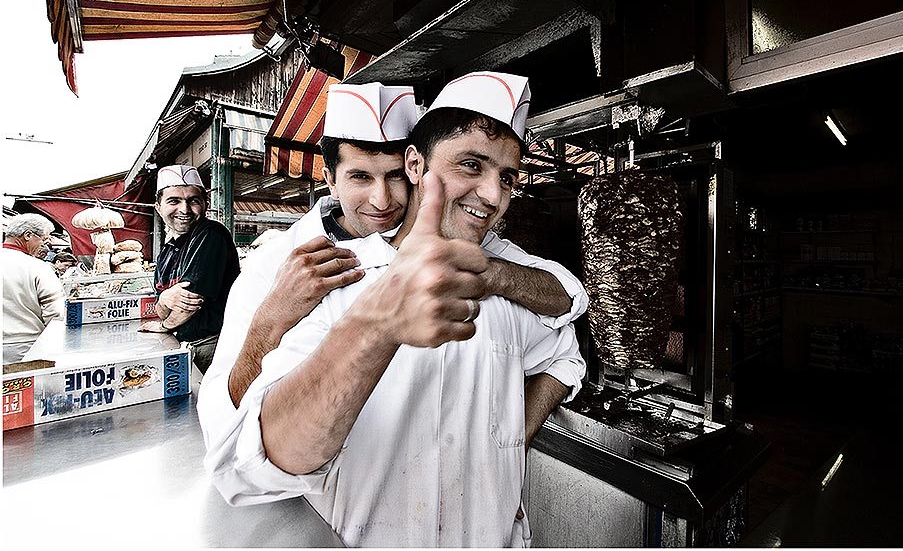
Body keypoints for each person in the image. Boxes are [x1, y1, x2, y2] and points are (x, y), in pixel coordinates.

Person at [203, 72, 587, 547]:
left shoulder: (503, 273)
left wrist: (510, 445)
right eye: (471, 165)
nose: (492, 194)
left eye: (506, 177)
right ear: (417, 166)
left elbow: (565, 350)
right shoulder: (331, 274)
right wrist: (374, 324)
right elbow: (253, 462)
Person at [139, 165, 240, 373]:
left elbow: (189, 304)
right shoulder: (166, 252)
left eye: (193, 201)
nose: (184, 209)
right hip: (183, 343)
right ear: (158, 207)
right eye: (174, 201)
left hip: (213, 345)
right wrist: (166, 297)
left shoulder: (210, 234)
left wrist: (165, 325)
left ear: (205, 204)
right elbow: (160, 306)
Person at [2, 214, 65, 363]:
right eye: (44, 239)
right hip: (25, 347)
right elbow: (56, 313)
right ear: (28, 235)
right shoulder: (37, 267)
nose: (45, 245)